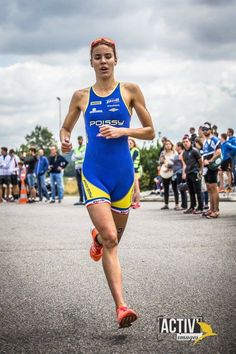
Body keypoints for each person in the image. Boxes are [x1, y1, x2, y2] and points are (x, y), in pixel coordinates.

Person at [60, 37, 155, 328]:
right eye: (97, 57)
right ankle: (122, 307)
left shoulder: (130, 90)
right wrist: (64, 139)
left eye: (108, 56)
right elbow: (66, 128)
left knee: (112, 238)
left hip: (123, 176)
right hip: (95, 174)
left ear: (116, 60)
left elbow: (150, 131)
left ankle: (97, 239)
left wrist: (122, 130)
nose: (103, 61)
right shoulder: (80, 96)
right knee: (112, 239)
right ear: (91, 62)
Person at [202, 122, 221, 218]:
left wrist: (210, 161)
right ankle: (211, 209)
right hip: (206, 168)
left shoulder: (214, 139)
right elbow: (204, 155)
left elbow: (218, 152)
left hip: (212, 166)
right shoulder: (205, 141)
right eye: (203, 129)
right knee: (209, 188)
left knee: (214, 188)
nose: (204, 131)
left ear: (210, 130)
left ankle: (216, 211)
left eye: (206, 129)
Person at [182, 136, 203, 214]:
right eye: (184, 142)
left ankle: (200, 207)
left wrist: (200, 171)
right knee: (191, 192)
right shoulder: (184, 153)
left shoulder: (195, 151)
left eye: (186, 141)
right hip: (188, 173)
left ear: (190, 142)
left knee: (198, 191)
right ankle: (192, 207)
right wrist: (185, 173)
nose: (185, 143)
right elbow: (186, 164)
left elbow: (201, 162)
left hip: (195, 173)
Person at [159, 140, 179, 210]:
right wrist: (162, 160)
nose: (168, 145)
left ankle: (177, 204)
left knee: (175, 188)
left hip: (173, 172)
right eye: (166, 144)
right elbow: (160, 162)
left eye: (169, 144)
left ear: (171, 145)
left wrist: (171, 167)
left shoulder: (175, 152)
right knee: (165, 188)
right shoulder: (163, 153)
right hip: (165, 172)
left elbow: (177, 162)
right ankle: (166, 204)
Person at [72, 136, 86, 205]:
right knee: (79, 184)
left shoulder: (85, 147)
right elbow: (72, 158)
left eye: (80, 140)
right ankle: (81, 199)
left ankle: (84, 199)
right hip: (76, 167)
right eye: (78, 140)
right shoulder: (76, 148)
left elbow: (82, 156)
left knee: (83, 184)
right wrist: (78, 156)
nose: (79, 141)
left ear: (82, 140)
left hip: (82, 167)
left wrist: (76, 156)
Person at [129, 138, 141, 209]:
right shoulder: (129, 151)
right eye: (127, 143)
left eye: (130, 143)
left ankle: (137, 203)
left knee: (136, 188)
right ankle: (132, 202)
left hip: (135, 171)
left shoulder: (135, 150)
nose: (129, 144)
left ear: (133, 144)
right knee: (132, 188)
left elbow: (131, 160)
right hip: (131, 171)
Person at [175, 142, 187, 210]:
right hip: (178, 172)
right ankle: (183, 204)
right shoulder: (179, 153)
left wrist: (184, 173)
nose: (175, 147)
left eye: (176, 146)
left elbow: (184, 163)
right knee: (181, 188)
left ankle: (184, 205)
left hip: (181, 172)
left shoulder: (183, 153)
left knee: (182, 188)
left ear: (179, 147)